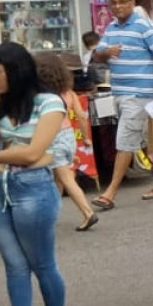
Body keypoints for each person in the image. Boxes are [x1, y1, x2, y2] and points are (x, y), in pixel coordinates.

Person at [0, 43, 70, 306]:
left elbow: (33, 154)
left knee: (42, 263)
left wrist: (1, 155)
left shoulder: (49, 103)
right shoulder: (3, 102)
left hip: (33, 189)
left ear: (15, 71)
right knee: (15, 266)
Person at [88, 0, 153, 210]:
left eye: (122, 2)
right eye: (114, 3)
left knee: (125, 141)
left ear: (132, 2)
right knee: (142, 140)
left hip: (139, 94)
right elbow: (97, 54)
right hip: (119, 92)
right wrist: (106, 53)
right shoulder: (110, 28)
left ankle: (110, 193)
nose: (118, 6)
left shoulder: (143, 25)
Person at [35, 52, 99, 231]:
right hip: (69, 135)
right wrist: (85, 137)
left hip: (54, 138)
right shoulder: (69, 93)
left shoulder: (41, 96)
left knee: (66, 178)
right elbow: (80, 115)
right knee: (60, 179)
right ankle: (52, 215)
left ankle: (87, 212)